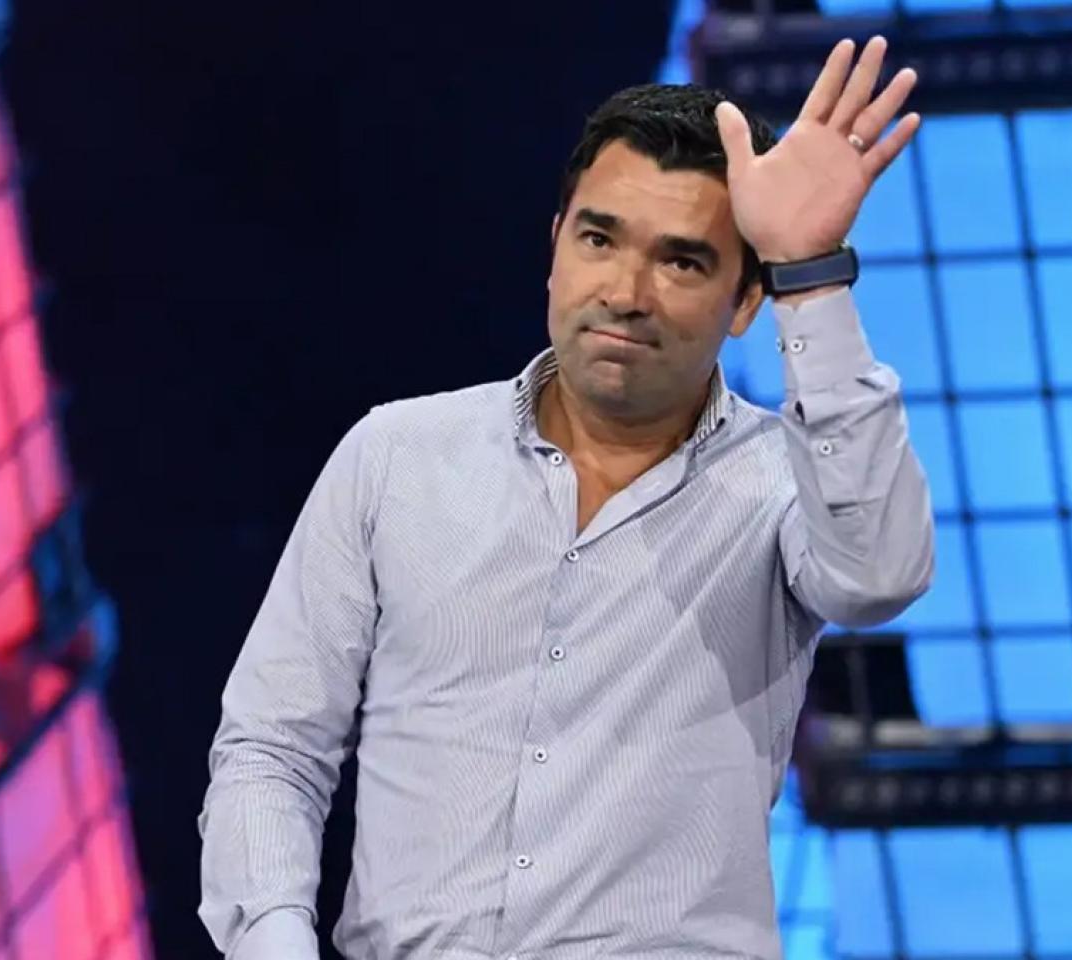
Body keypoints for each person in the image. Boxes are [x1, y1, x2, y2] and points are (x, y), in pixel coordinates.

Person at [198, 36, 934, 960]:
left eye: (682, 263)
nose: (626, 292)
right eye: (599, 239)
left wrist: (810, 273)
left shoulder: (788, 483)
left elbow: (877, 577)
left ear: (746, 300)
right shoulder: (395, 457)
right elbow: (271, 748)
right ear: (555, 246)